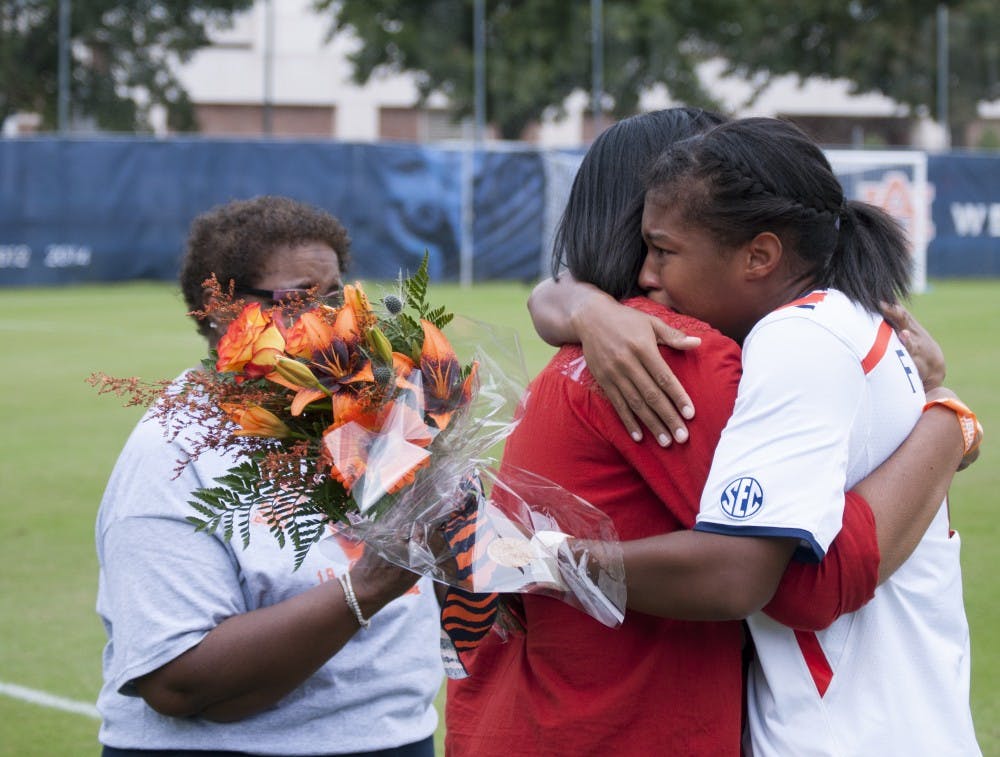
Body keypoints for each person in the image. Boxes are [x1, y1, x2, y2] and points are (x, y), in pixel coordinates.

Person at [445, 111, 980, 755]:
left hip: (513, 712)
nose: (650, 270)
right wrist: (950, 422)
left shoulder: (588, 347)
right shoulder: (669, 350)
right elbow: (804, 580)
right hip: (616, 729)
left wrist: (575, 302)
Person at [95, 196, 443, 756]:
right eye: (298, 301)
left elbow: (439, 574)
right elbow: (175, 681)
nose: (333, 322)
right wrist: (368, 588)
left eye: (335, 297)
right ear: (219, 311)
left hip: (396, 739)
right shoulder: (173, 453)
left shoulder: (365, 412)